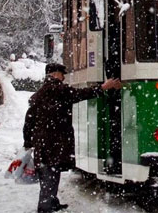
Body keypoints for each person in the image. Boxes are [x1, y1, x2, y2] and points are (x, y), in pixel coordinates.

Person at [23, 63, 121, 212]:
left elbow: (29, 120)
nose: (63, 77)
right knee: (51, 173)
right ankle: (45, 206)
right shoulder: (58, 90)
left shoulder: (39, 94)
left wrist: (28, 141)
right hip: (54, 142)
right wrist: (103, 88)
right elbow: (80, 94)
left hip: (43, 143)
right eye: (62, 74)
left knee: (49, 172)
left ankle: (51, 201)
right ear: (55, 74)